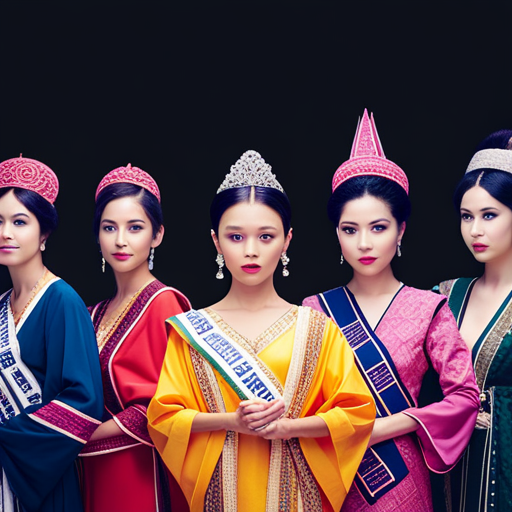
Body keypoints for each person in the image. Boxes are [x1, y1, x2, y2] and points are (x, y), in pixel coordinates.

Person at [147, 150, 376, 512]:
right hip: (219, 495)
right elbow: (164, 418)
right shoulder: (191, 330)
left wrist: (289, 428)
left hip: (297, 497)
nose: (250, 251)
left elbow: (357, 413)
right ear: (215, 242)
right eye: (235, 237)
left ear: (287, 241)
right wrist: (231, 421)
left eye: (266, 237)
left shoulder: (318, 328)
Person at [302, 110, 480, 512]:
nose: (364, 243)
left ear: (401, 230)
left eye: (378, 228)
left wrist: (391, 425)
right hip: (332, 472)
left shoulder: (429, 308)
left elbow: (465, 396)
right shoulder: (313, 311)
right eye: (350, 230)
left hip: (403, 478)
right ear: (336, 234)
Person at [79, 164, 192, 512]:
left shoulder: (165, 303)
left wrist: (74, 435)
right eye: (109, 228)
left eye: (135, 228)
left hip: (140, 470)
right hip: (88, 469)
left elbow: (160, 408)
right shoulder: (92, 313)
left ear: (157, 235)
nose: (120, 240)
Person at [0, 156, 103, 512]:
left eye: (19, 221)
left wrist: (8, 438)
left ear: (44, 233)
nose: (5, 233)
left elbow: (84, 403)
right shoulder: (1, 305)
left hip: (43, 480)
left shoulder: (62, 301)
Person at [434, 129, 512, 512]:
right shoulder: (444, 295)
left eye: (489, 215)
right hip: (448, 469)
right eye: (467, 216)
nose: (475, 230)